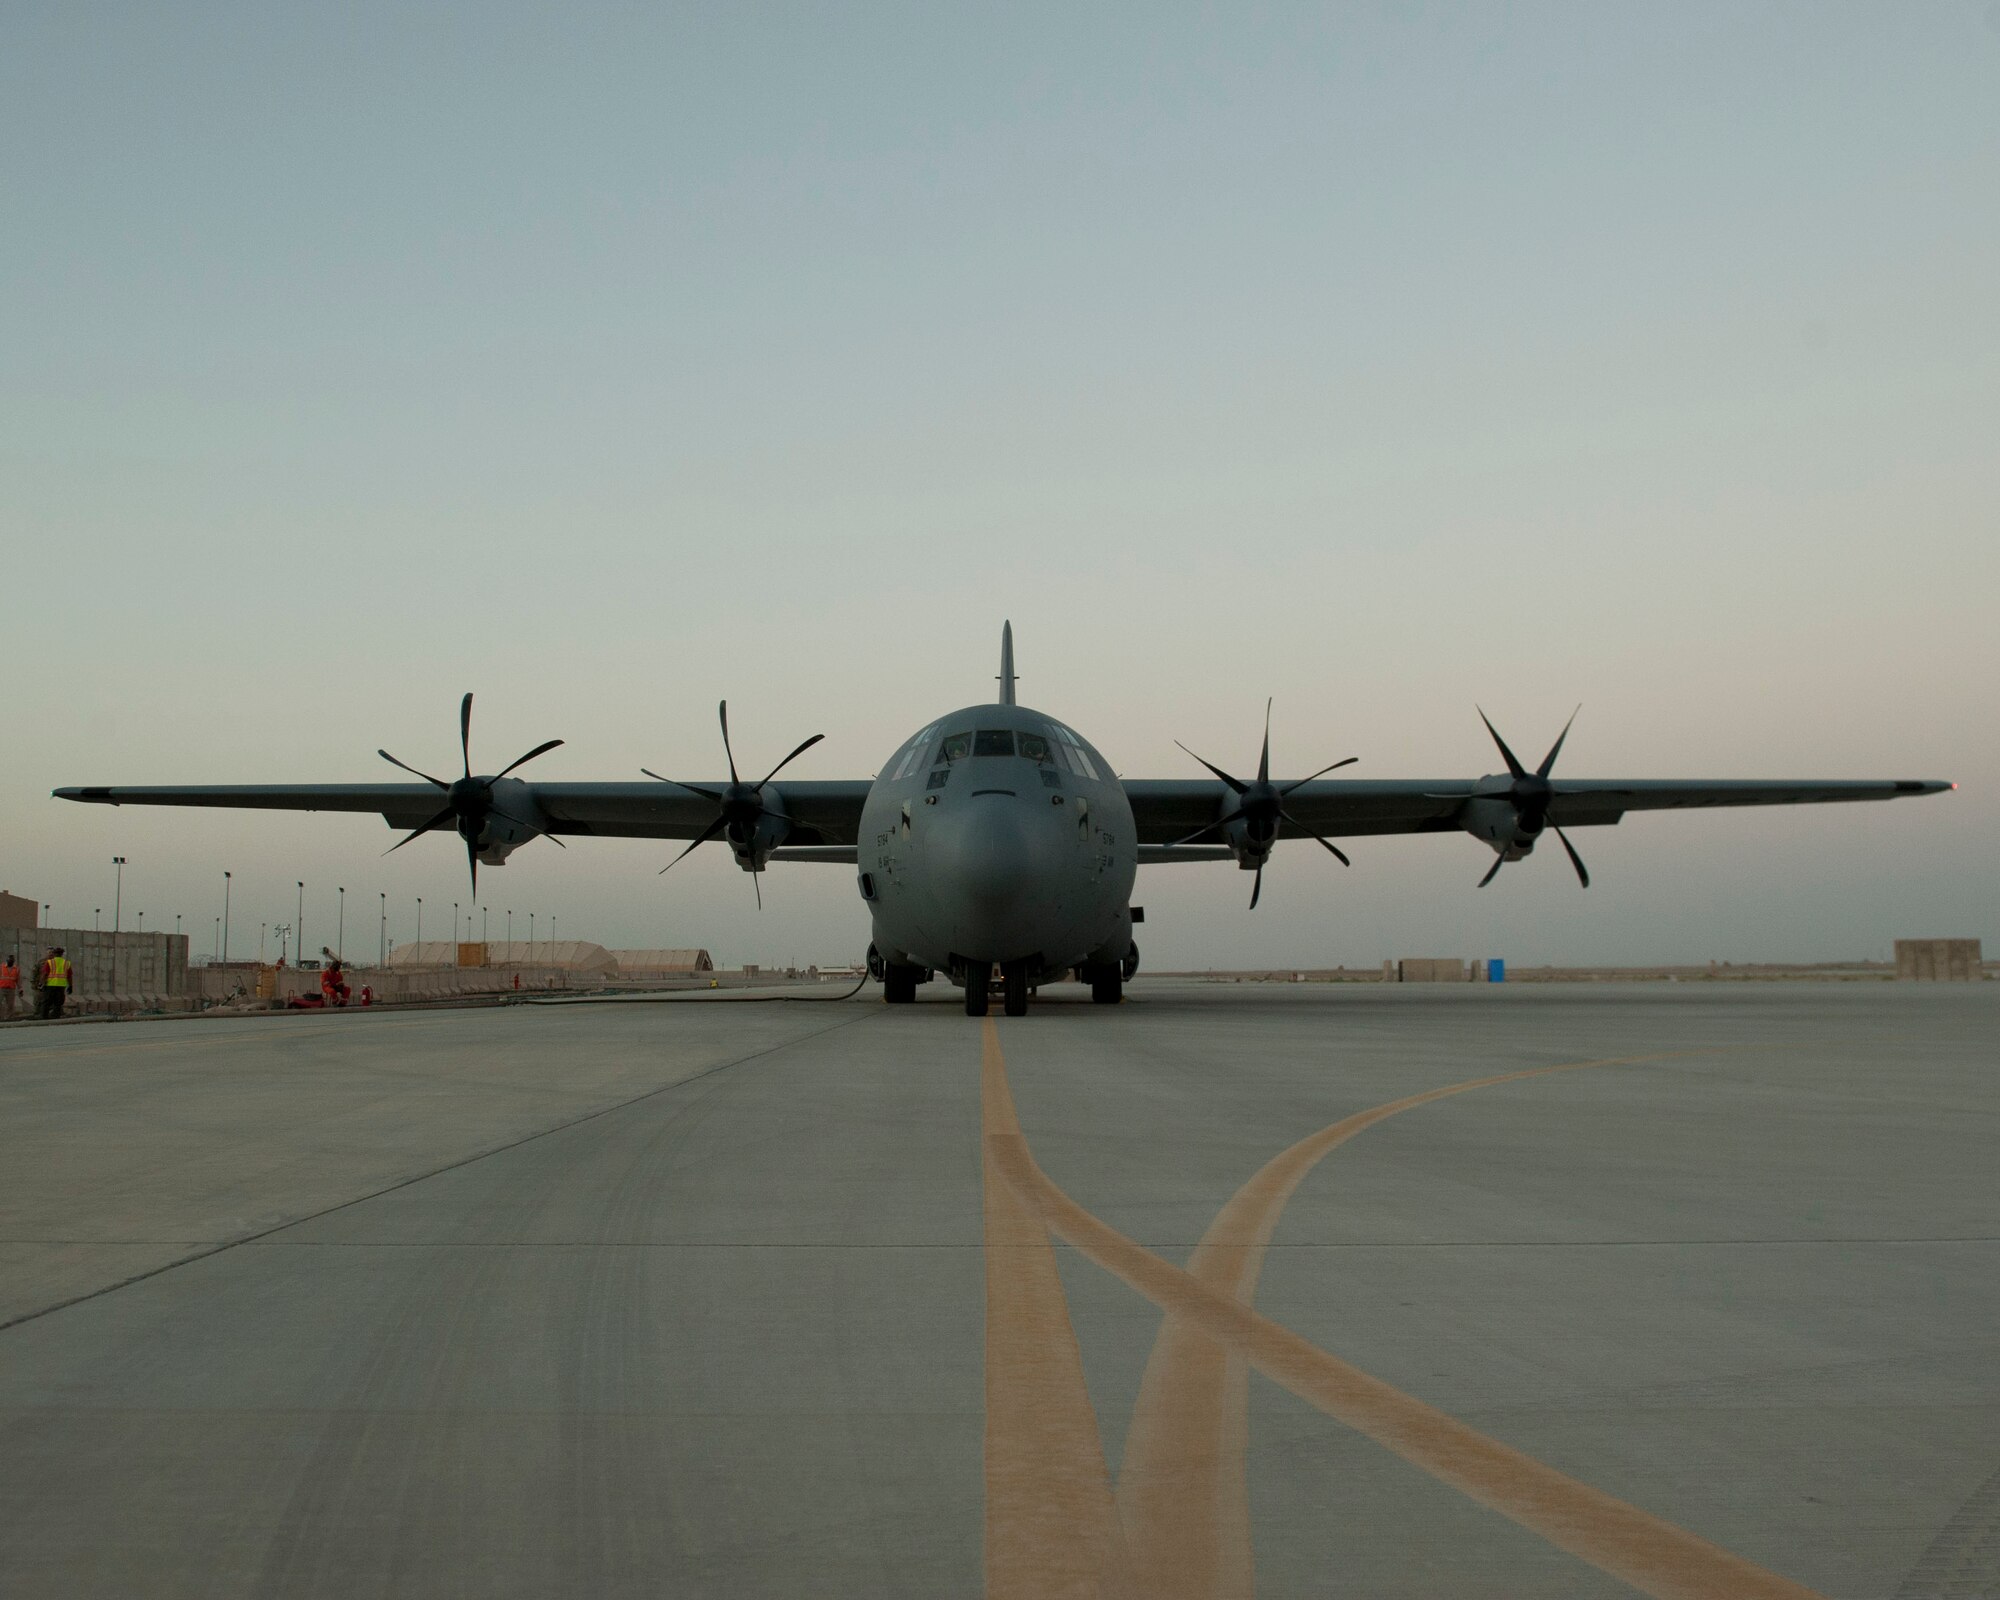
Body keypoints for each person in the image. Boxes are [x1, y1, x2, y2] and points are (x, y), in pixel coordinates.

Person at [39, 946, 72, 1019]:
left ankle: (44, 1018)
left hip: (50, 986)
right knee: (58, 1003)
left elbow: (45, 974)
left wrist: (41, 983)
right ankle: (55, 1018)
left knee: (46, 1003)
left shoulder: (50, 962)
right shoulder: (66, 963)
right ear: (62, 954)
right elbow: (69, 976)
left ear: (54, 954)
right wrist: (70, 986)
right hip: (61, 987)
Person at [0, 954, 18, 1020]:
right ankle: (1, 1018)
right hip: (1, 988)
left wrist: (20, 988)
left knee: (10, 1005)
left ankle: (9, 1018)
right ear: (7, 960)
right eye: (10, 960)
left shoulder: (16, 969)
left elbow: (18, 980)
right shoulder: (1, 967)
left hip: (11, 989)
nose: (11, 962)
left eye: (12, 961)